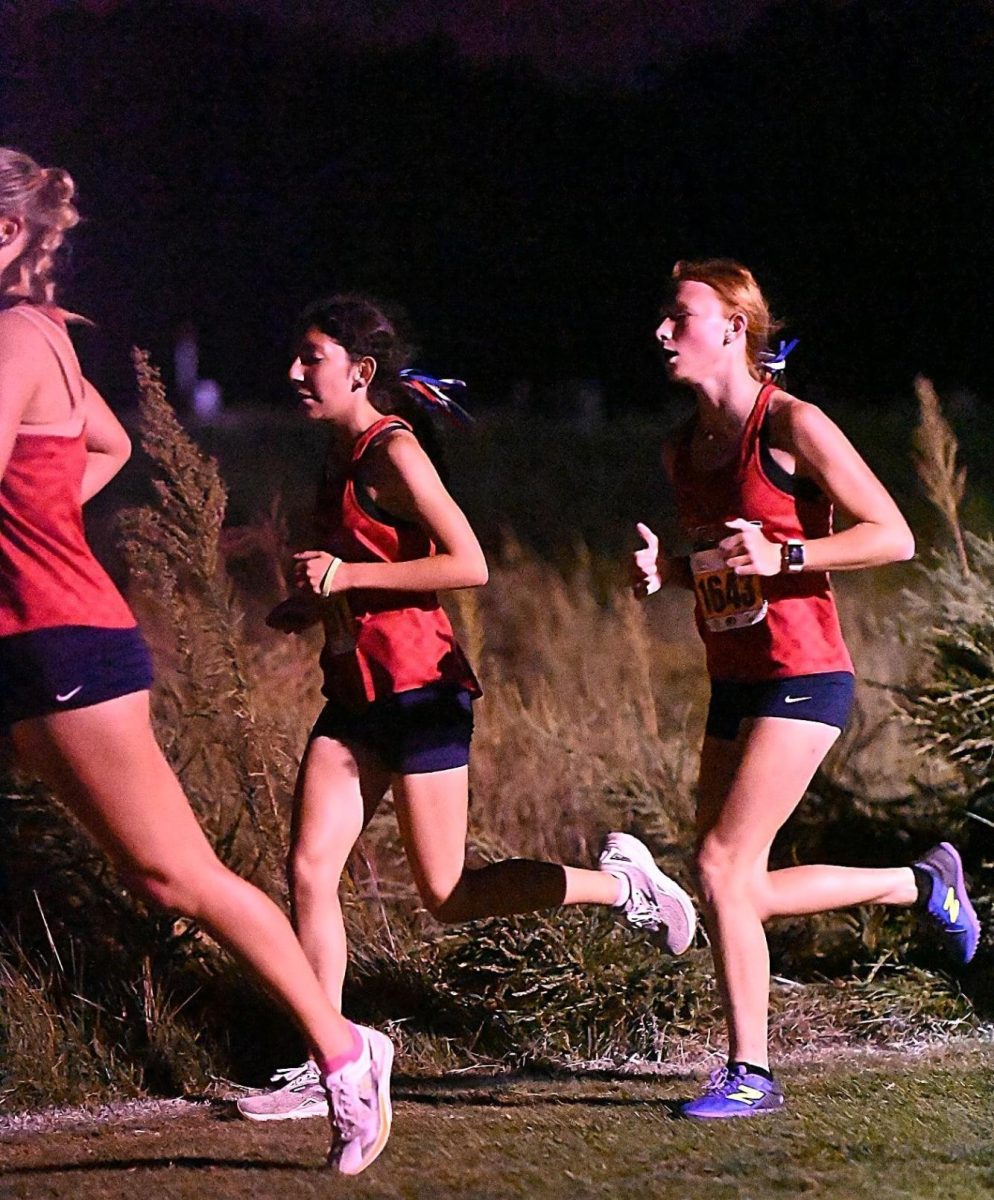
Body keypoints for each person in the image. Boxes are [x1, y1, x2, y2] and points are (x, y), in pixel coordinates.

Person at [0, 147, 391, 1175]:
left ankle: (346, 1050)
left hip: (61, 644)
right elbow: (107, 450)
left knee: (173, 877)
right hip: (24, 639)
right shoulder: (36, 339)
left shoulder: (15, 336)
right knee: (157, 875)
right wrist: (36, 521)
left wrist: (31, 538)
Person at [237, 294, 697, 1121]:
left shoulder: (393, 451)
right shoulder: (335, 460)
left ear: (360, 372)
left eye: (312, 357)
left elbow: (470, 563)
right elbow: (365, 564)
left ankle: (621, 885)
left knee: (447, 893)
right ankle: (332, 1057)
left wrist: (346, 579)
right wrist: (311, 605)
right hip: (354, 696)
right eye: (297, 357)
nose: (294, 372)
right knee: (309, 868)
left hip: (421, 691)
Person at [632, 258, 980, 1120]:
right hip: (735, 679)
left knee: (718, 866)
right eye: (664, 317)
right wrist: (672, 571)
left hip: (805, 674)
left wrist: (791, 554)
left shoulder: (792, 423)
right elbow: (728, 563)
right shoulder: (683, 447)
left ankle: (751, 1072)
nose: (662, 332)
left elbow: (891, 536)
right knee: (728, 883)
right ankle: (918, 884)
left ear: (734, 327)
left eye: (681, 316)